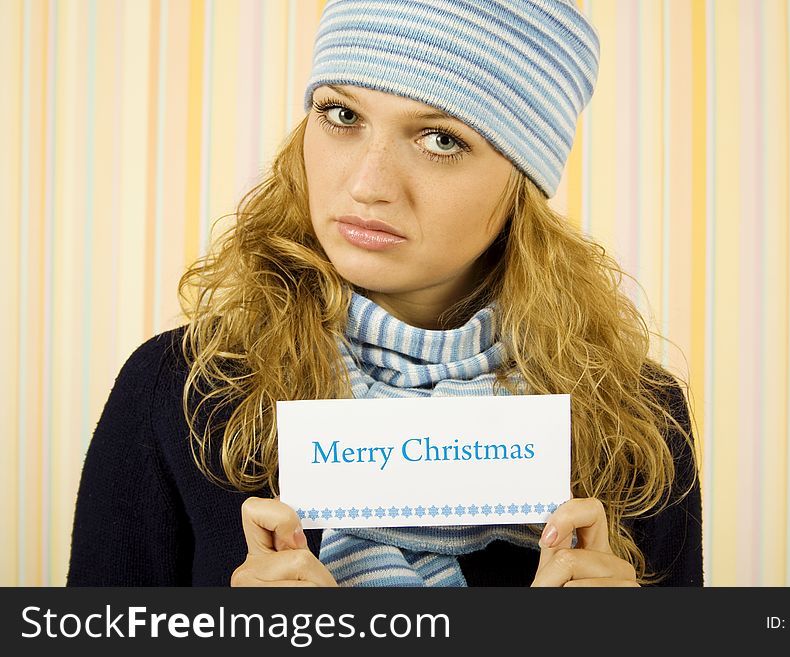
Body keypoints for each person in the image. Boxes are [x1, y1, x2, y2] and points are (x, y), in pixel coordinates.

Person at [67, 0, 702, 587]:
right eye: (342, 115)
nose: (368, 185)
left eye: (441, 139)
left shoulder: (636, 416)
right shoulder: (182, 387)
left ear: (521, 182)